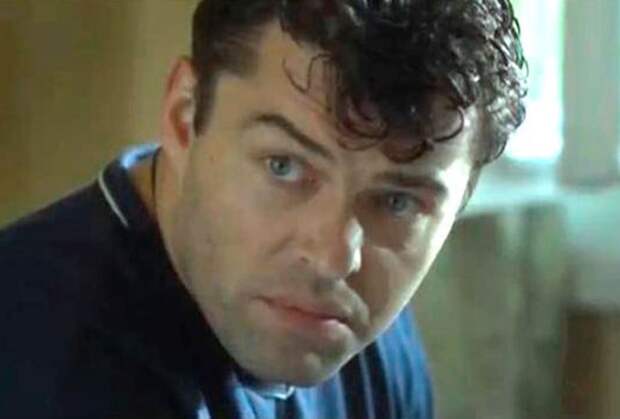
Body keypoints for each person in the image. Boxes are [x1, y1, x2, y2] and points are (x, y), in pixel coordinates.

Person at [0, 1, 526, 418]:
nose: (334, 259)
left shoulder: (362, 332)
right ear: (184, 118)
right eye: (284, 167)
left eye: (396, 201)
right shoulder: (42, 364)